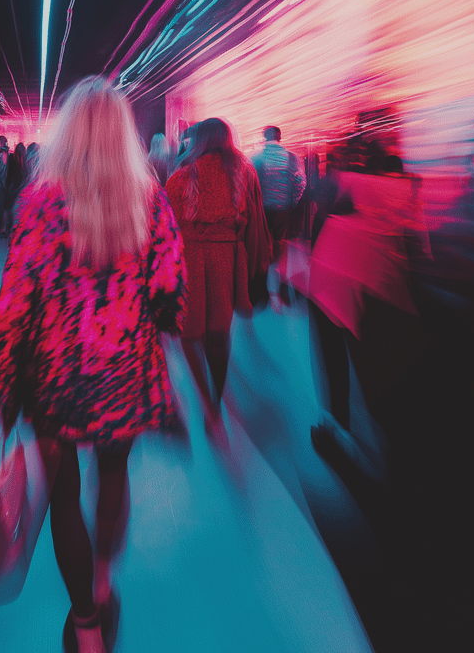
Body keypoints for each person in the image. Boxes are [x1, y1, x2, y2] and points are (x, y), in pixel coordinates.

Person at [0, 77, 185, 653]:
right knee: (113, 476)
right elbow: (172, 289)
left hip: (55, 380)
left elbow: (16, 299)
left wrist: (0, 381)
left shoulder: (42, 202)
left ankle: (86, 627)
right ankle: (101, 577)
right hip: (126, 374)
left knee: (64, 495)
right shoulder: (149, 197)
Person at [307, 146, 430, 489]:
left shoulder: (349, 189)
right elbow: (419, 250)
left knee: (337, 363)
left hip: (334, 286)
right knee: (380, 370)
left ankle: (336, 425)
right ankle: (388, 446)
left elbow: (320, 230)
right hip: (374, 293)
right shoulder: (407, 195)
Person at [165, 118, 270, 431]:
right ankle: (216, 396)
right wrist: (256, 266)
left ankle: (206, 404)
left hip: (190, 259)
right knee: (219, 334)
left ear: (197, 141)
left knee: (190, 332)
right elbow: (256, 223)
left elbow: (168, 229)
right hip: (228, 258)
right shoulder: (244, 174)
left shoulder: (181, 177)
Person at [251, 126, 305, 306]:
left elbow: (249, 184)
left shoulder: (256, 158)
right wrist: (293, 202)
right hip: (283, 209)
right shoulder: (291, 158)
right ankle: (282, 289)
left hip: (262, 209)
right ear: (280, 137)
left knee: (262, 246)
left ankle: (262, 294)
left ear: (264, 138)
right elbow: (300, 182)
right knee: (280, 245)